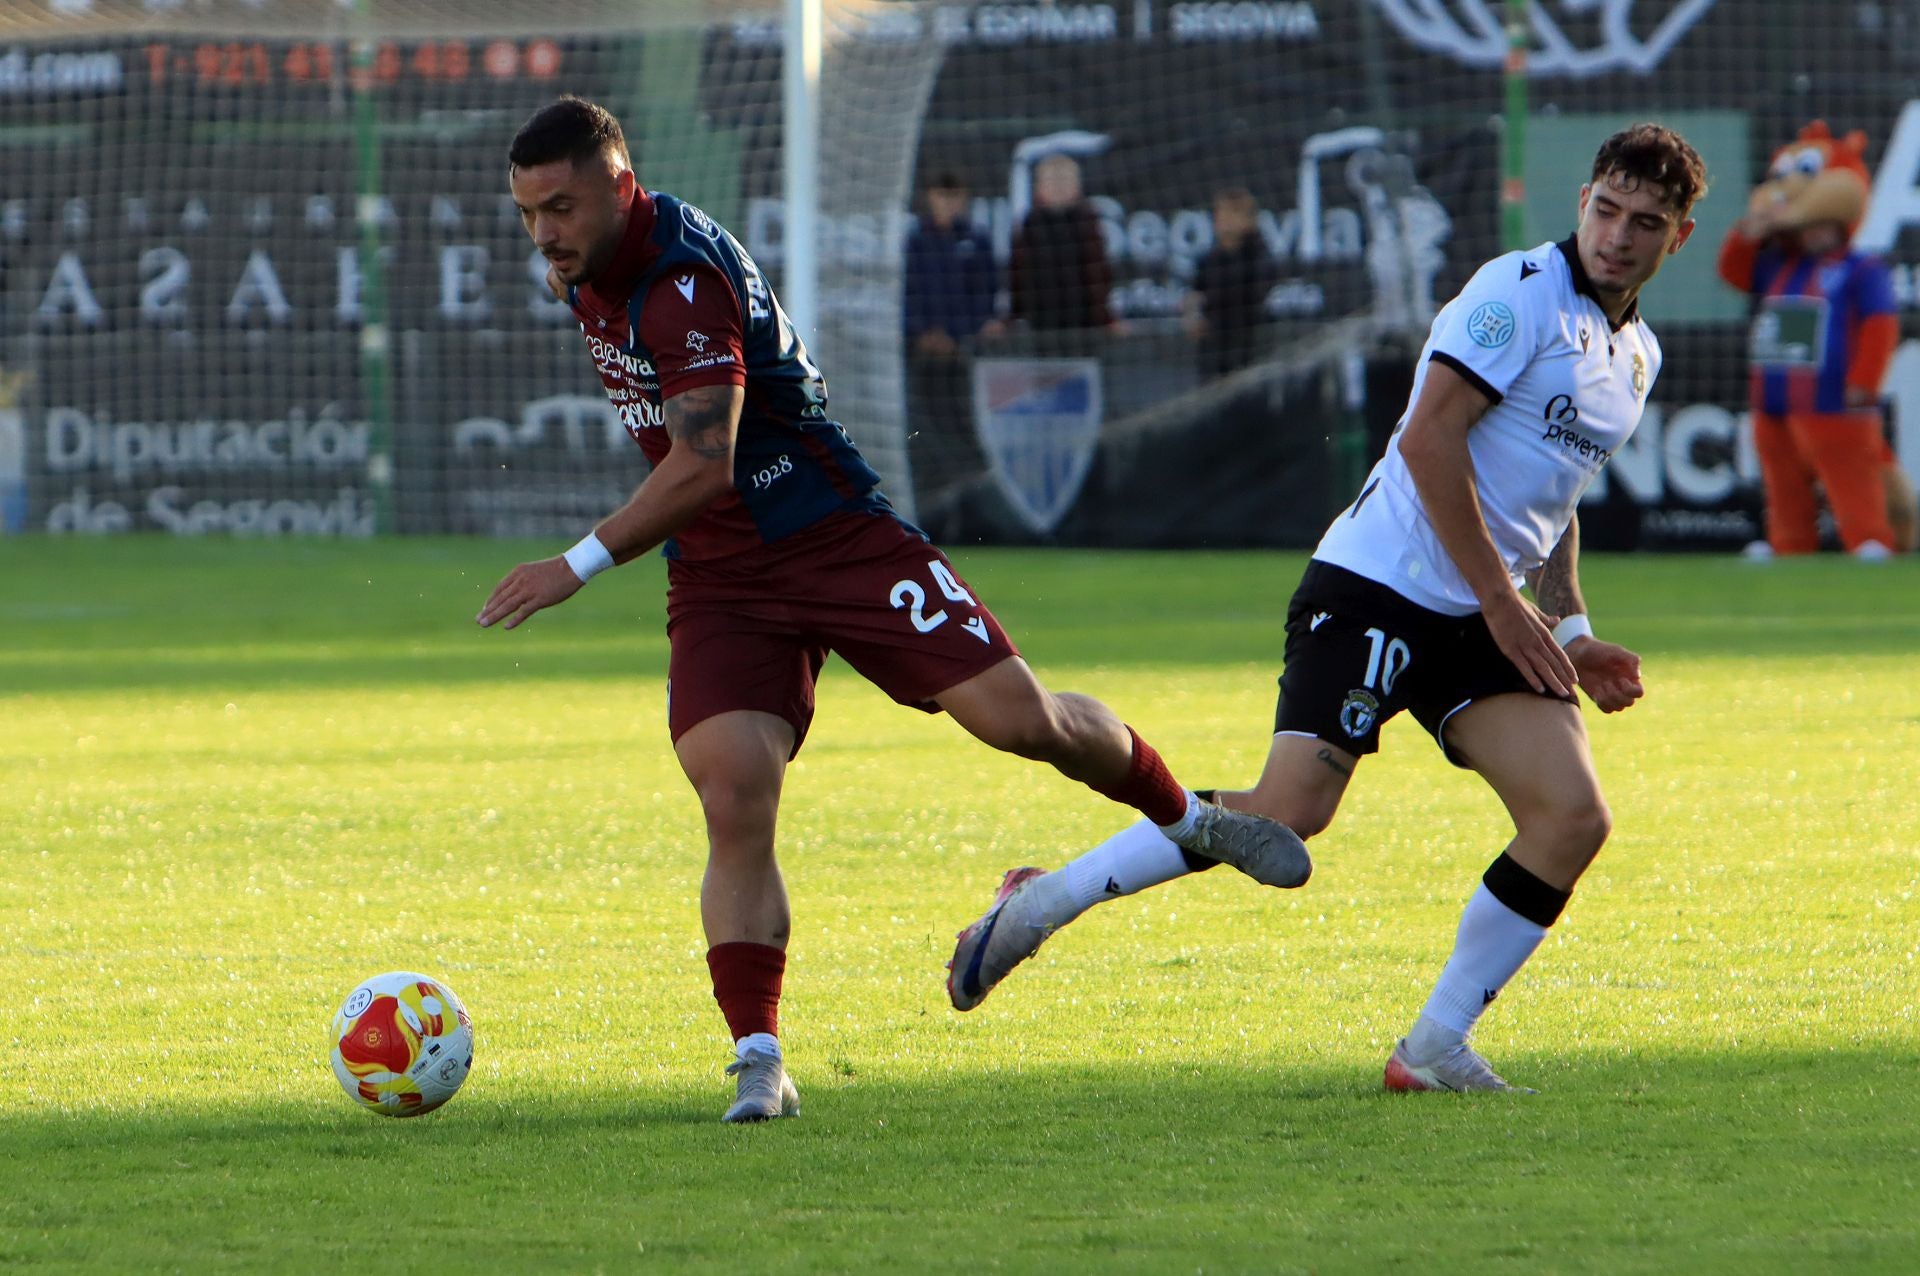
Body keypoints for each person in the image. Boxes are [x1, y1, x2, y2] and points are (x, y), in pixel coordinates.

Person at [477, 97, 1309, 1123]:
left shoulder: (679, 283)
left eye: (559, 207)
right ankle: (758, 1059)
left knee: (1024, 723)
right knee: (734, 791)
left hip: (836, 536)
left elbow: (701, 464)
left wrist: (578, 561)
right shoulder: (587, 265)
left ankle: (1193, 818)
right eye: (526, 215)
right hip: (725, 576)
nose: (544, 234)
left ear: (618, 183)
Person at [947, 123, 1706, 1094]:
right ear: (1583, 201)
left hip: (1480, 612)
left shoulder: (1634, 354)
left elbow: (1553, 505)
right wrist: (1503, 605)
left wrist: (1568, 628)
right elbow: (1430, 443)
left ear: (1677, 237)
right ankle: (1039, 902)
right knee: (1288, 815)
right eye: (1606, 208)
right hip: (1378, 584)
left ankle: (1433, 1048)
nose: (1618, 234)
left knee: (1571, 815)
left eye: (1646, 221)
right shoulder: (1517, 296)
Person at [1716, 121, 1899, 559]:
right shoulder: (1778, 265)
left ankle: (1869, 539)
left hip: (1835, 400)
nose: (1813, 233)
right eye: (1808, 225)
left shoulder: (1861, 269)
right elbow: (1732, 272)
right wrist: (1748, 232)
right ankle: (1789, 545)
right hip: (1775, 398)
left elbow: (1879, 326)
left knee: (1849, 475)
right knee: (1782, 480)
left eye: (1823, 225)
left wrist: (1865, 382)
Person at [902, 171, 1002, 528]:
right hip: (922, 357)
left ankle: (976, 515)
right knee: (922, 431)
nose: (948, 203)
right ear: (930, 197)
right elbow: (906, 294)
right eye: (942, 196)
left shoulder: (976, 240)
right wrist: (924, 333)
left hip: (962, 357)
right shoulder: (915, 241)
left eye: (954, 196)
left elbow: (985, 298)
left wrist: (958, 335)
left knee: (964, 430)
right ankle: (930, 513)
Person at [1009, 153, 1117, 340]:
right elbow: (1017, 276)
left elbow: (1100, 274)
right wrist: (1012, 317)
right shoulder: (1030, 225)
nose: (1059, 187)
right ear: (1039, 187)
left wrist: (1107, 318)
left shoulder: (1088, 222)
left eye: (1065, 180)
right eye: (1052, 181)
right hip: (1041, 325)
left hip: (1085, 325)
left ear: (1077, 186)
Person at [1183, 186, 1279, 378]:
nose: (1224, 220)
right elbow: (1193, 295)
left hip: (1251, 349)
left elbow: (1252, 296)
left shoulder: (1261, 259)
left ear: (1249, 220)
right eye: (1220, 213)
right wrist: (1193, 316)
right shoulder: (1208, 260)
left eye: (1232, 213)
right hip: (1213, 354)